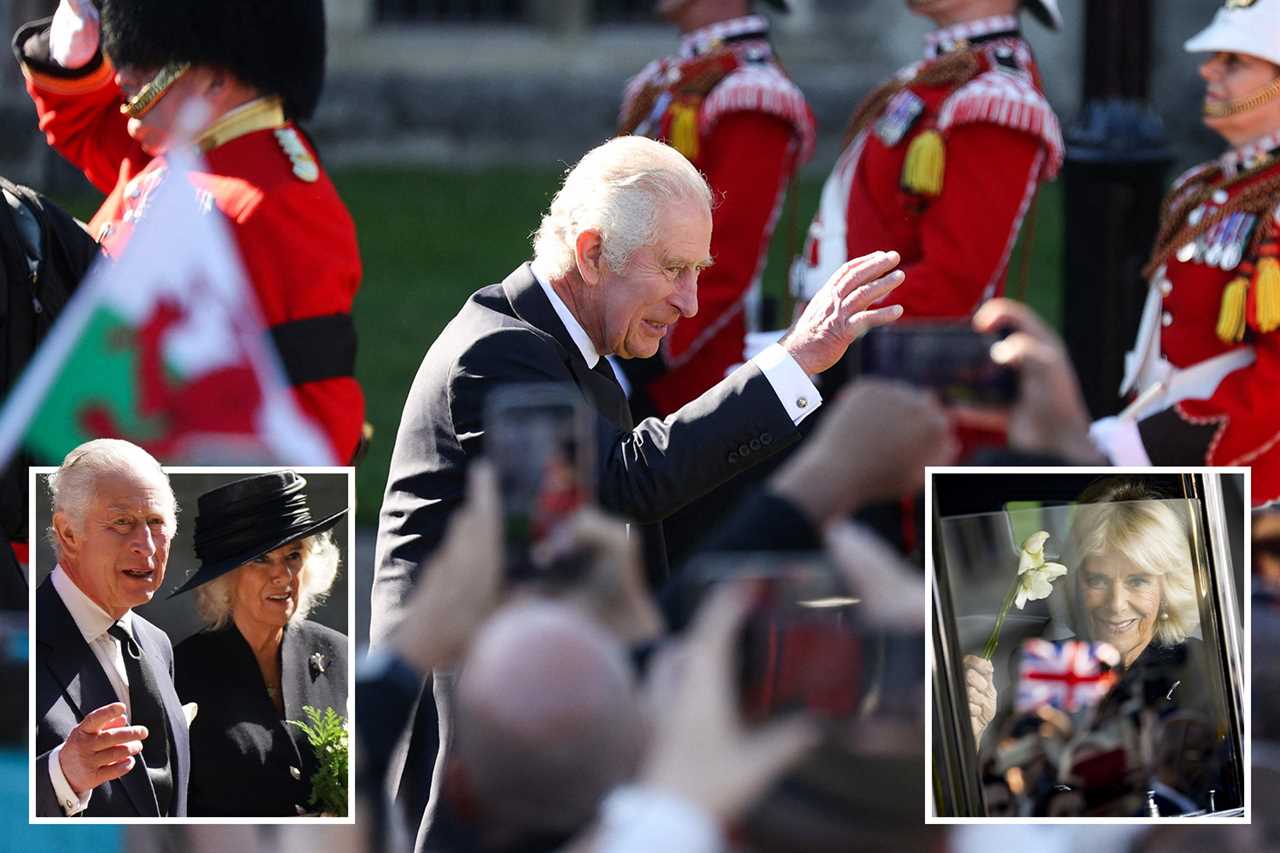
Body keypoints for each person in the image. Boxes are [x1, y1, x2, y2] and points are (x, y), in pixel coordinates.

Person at [373, 134, 905, 841]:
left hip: (537, 697)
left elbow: (651, 519)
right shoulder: (498, 349)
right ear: (591, 253)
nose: (690, 301)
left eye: (699, 271)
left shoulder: (569, 347)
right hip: (475, 723)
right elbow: (625, 483)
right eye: (675, 269)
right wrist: (796, 365)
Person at [13, 0, 365, 463]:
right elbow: (91, 124)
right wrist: (73, 57)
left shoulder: (272, 201)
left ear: (216, 77)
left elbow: (309, 412)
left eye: (148, 61)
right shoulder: (184, 151)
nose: (123, 75)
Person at [790, 0, 1062, 335]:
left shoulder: (995, 97)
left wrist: (830, 325)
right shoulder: (941, 74)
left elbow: (953, 287)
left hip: (900, 366)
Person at [1109, 0, 1280, 506]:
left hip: (1245, 477)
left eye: (1235, 60)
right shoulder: (1199, 189)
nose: (1209, 69)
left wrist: (1157, 444)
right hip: (1165, 451)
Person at [616, 0, 815, 417]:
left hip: (682, 373)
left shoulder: (750, 92)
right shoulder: (672, 77)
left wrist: (640, 354)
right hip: (619, 332)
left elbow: (726, 256)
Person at [170, 470, 348, 817]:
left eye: (293, 555)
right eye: (260, 559)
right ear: (226, 576)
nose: (282, 575)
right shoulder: (182, 672)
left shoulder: (338, 654)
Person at [35, 438, 190, 817]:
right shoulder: (22, 639)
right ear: (69, 534)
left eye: (157, 523)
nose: (147, 546)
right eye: (122, 523)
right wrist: (60, 774)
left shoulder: (157, 643)